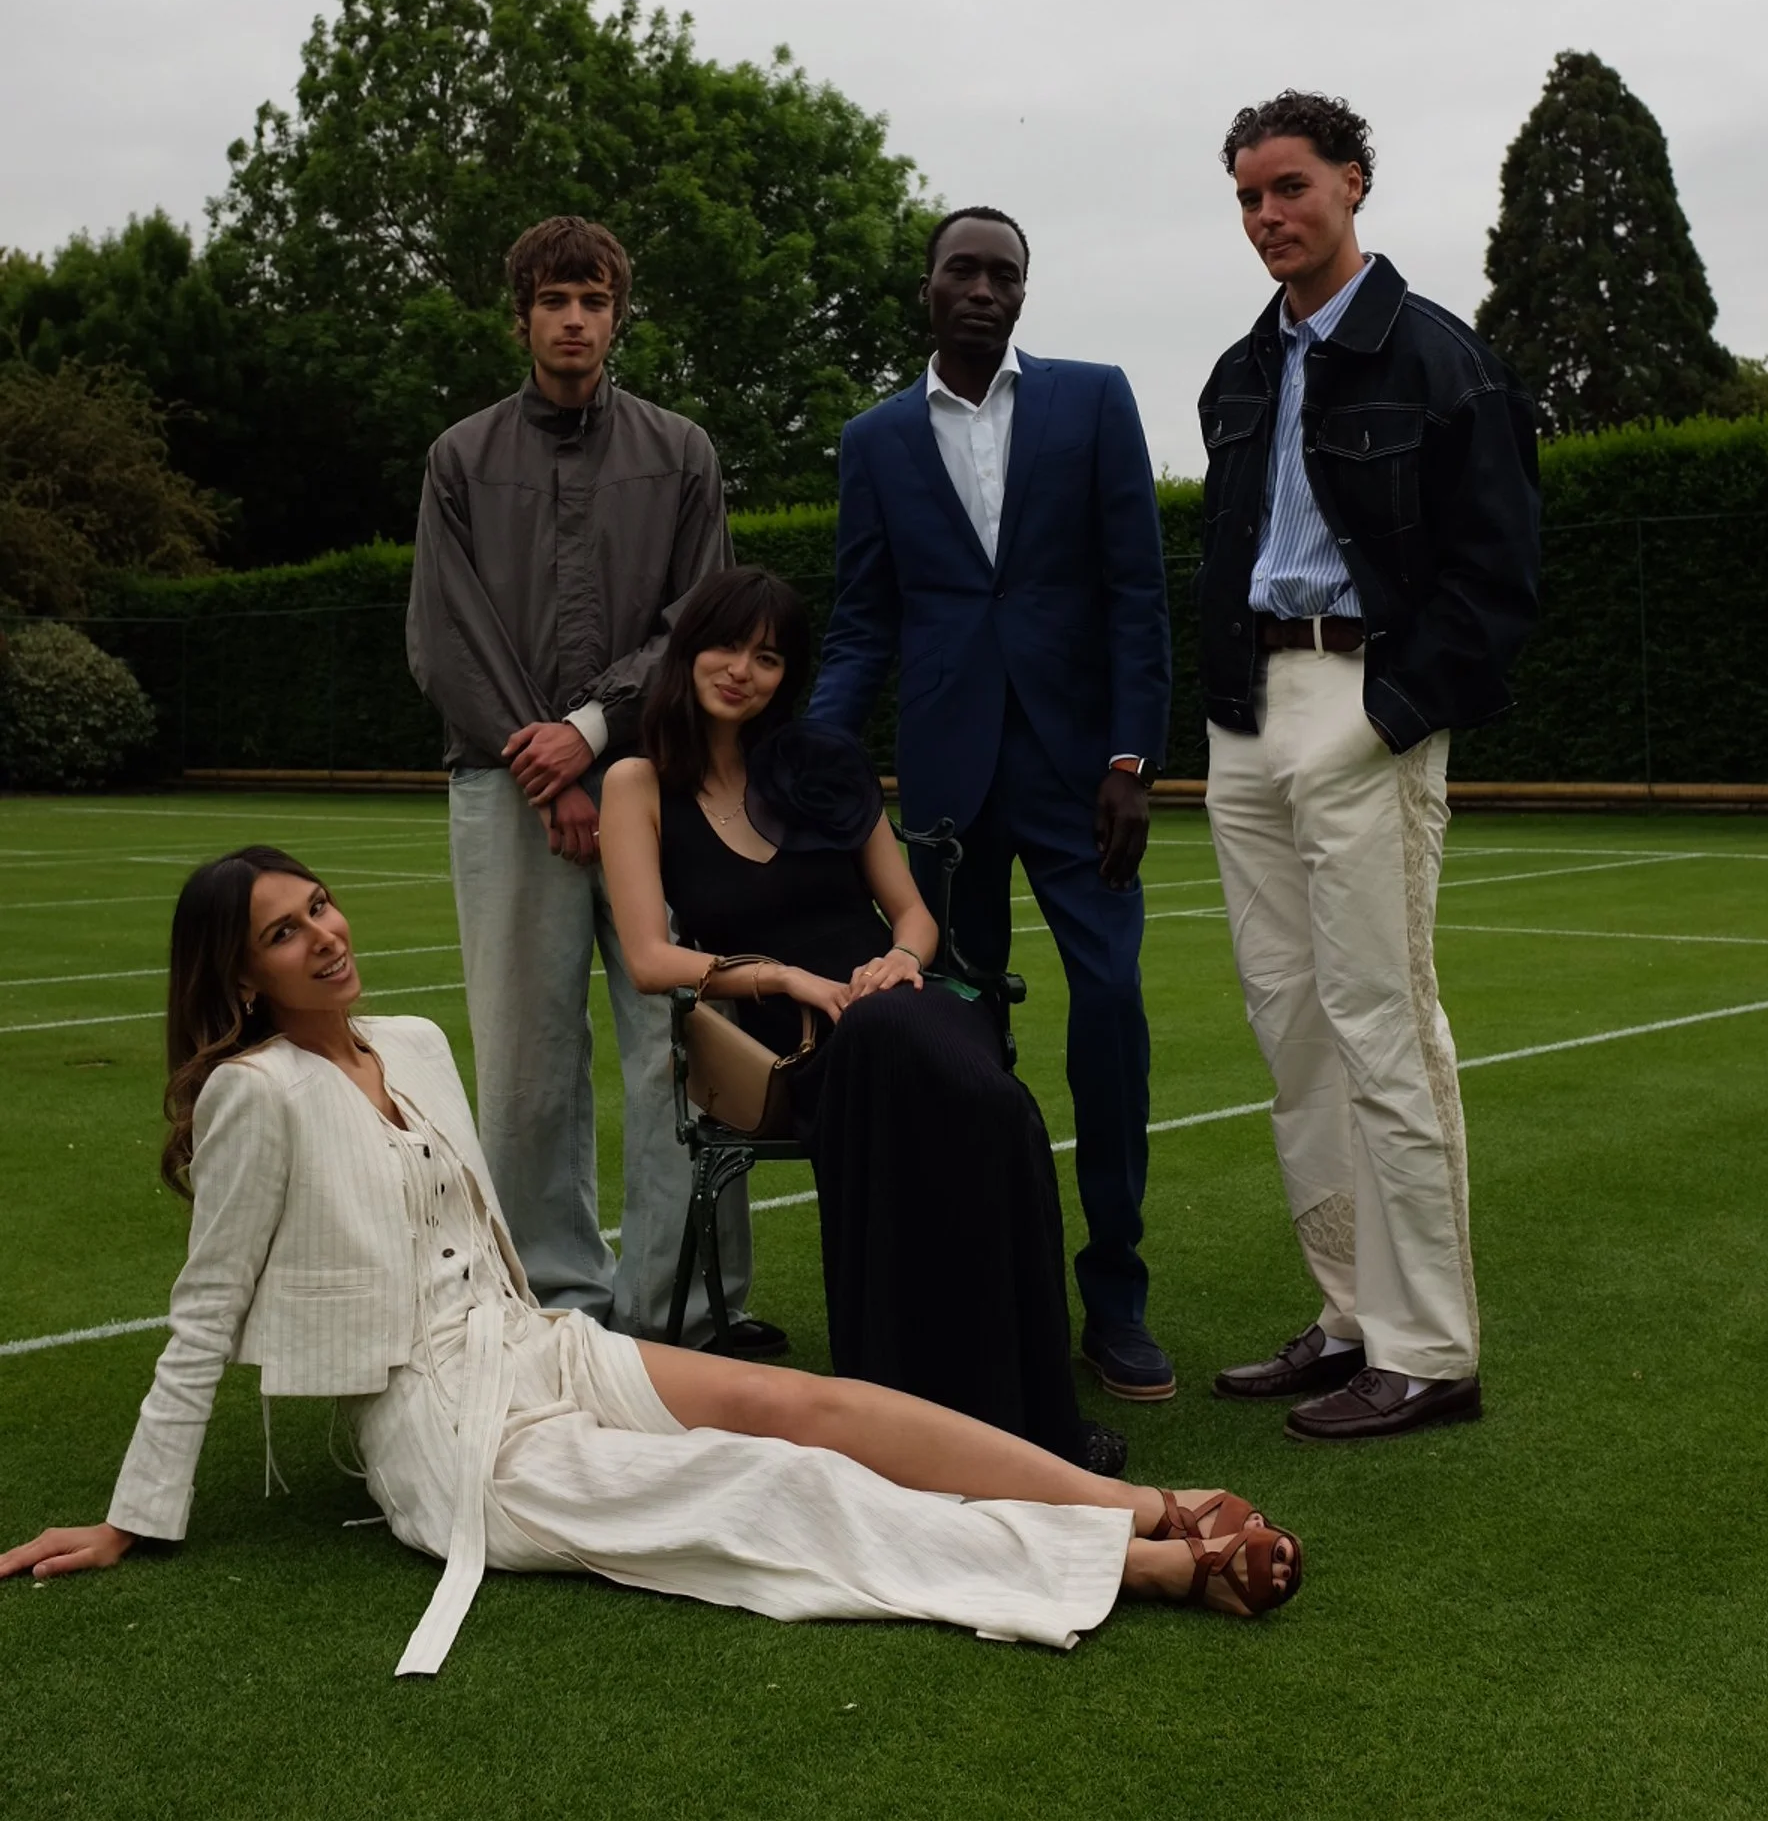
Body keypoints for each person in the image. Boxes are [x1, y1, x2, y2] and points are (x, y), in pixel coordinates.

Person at [0, 848, 1302, 1671]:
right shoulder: (254, 1093)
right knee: (761, 1486)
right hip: (444, 1435)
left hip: (535, 1348)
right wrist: (130, 1516)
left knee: (811, 1406)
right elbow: (206, 1308)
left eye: (319, 904)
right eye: (283, 932)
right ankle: (1140, 1566)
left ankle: (1143, 1501)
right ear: (240, 976)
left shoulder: (411, 1041)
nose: (324, 933)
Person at [601, 566, 1122, 1473]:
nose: (742, 671)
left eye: (769, 657)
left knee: (968, 1090)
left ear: (788, 677)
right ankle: (953, 1416)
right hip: (790, 1033)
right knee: (936, 1076)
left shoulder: (820, 763)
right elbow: (649, 958)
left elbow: (912, 913)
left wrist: (901, 960)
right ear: (688, 652)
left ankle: (1021, 1418)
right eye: (726, 647)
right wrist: (783, 978)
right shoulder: (638, 784)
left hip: (900, 999)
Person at [1197, 92, 1539, 1441]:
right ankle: (1348, 1320)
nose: (1267, 215)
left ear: (1352, 182)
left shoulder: (1442, 360)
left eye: (1290, 186)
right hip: (1247, 715)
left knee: (1382, 1025)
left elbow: (1497, 579)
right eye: (1247, 196)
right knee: (1291, 1031)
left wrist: (1388, 715)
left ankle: (1431, 1349)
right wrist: (1221, 714)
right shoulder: (1239, 370)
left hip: (1362, 703)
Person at [807, 208, 1175, 1405]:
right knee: (962, 1046)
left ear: (1024, 292)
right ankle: (991, 1302)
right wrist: (813, 756)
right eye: (961, 271)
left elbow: (1137, 593)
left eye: (1002, 274)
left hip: (1081, 784)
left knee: (1109, 1011)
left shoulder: (1095, 401)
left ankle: (1115, 1299)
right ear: (927, 288)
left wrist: (1133, 760)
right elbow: (865, 621)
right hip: (945, 796)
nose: (982, 288)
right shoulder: (874, 439)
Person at [407, 214, 758, 1346]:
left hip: (655, 781)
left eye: (593, 300)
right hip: (509, 792)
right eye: (553, 300)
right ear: (520, 318)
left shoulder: (683, 452)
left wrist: (592, 733)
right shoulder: (459, 460)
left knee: (681, 1041)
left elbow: (697, 622)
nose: (573, 319)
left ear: (618, 316)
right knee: (526, 1063)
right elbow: (445, 636)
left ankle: (683, 1309)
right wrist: (546, 763)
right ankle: (550, 1306)